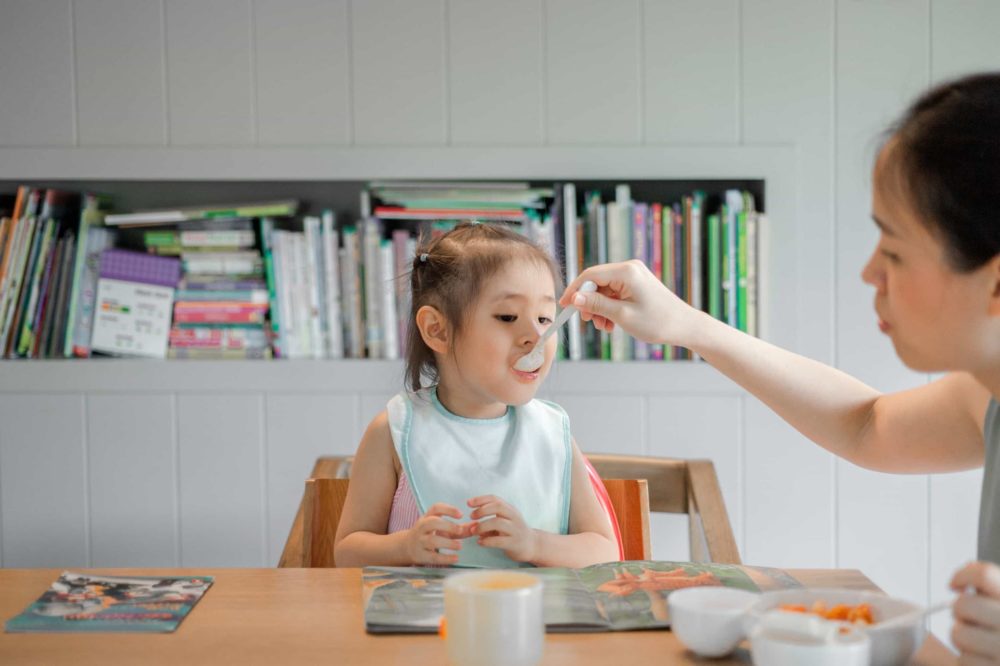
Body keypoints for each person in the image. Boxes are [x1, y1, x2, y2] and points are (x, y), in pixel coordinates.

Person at [562, 71, 1000, 663]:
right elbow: (867, 424)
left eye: (893, 250)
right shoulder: (985, 397)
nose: (870, 272)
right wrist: (684, 324)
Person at [335, 222, 618, 569]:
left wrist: (534, 544)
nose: (535, 336)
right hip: (426, 621)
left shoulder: (552, 432)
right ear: (437, 330)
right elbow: (347, 552)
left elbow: (604, 551)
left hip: (537, 620)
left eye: (545, 318)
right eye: (507, 316)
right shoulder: (392, 432)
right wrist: (405, 547)